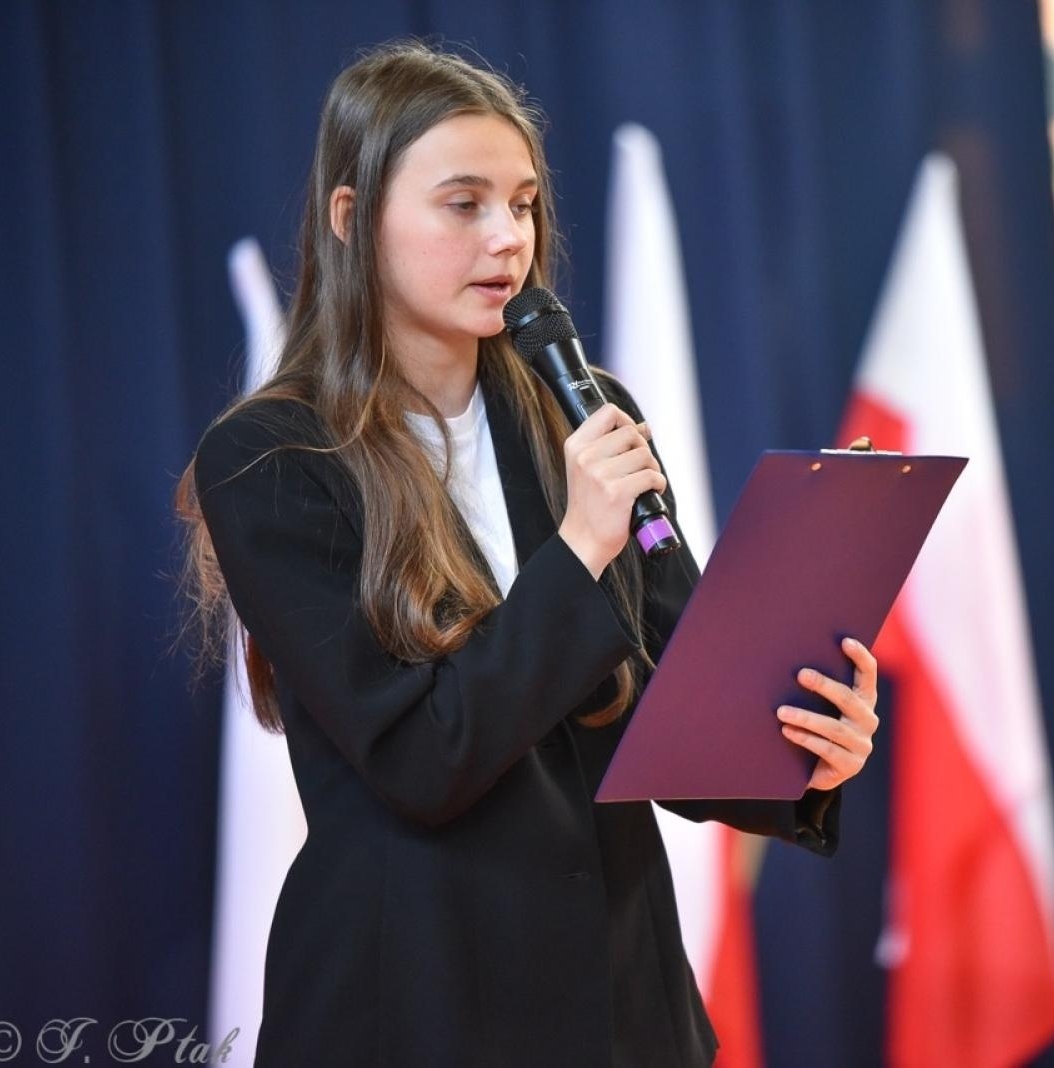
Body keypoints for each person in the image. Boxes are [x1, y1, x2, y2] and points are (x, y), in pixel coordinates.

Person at [174, 41, 879, 1067]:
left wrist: (807, 751)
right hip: (416, 1006)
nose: (507, 238)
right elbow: (422, 761)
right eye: (463, 204)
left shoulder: (580, 412)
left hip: (626, 1006)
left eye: (525, 204)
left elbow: (680, 703)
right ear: (349, 218)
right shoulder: (271, 458)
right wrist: (582, 546)